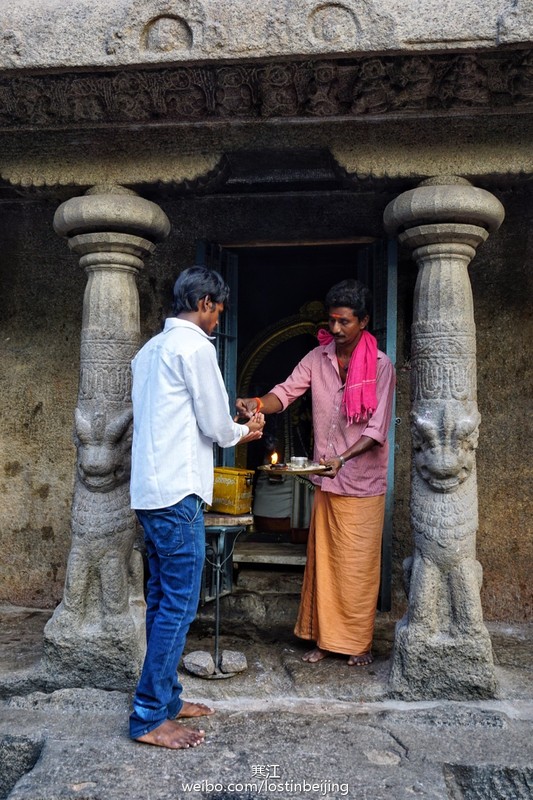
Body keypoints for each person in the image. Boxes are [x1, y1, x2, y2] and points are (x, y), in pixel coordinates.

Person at [129, 266, 264, 749]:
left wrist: (228, 426)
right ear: (205, 301)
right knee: (179, 607)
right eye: (218, 307)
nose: (219, 317)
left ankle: (164, 699)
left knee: (163, 600)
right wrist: (244, 431)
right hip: (178, 492)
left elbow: (178, 418)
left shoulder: (149, 352)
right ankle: (148, 717)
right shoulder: (194, 348)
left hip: (150, 491)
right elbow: (214, 424)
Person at [236, 279, 395, 667]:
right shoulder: (317, 357)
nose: (336, 329)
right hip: (328, 478)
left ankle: (357, 644)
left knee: (357, 569)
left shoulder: (381, 365)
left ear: (364, 322)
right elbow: (286, 393)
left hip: (363, 482)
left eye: (344, 322)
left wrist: (343, 457)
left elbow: (376, 430)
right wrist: (255, 401)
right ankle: (325, 640)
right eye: (332, 321)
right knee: (325, 564)